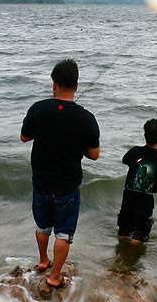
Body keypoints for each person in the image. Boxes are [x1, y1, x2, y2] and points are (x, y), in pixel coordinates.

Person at [20, 59, 100, 289]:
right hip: (67, 187)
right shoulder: (86, 118)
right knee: (63, 233)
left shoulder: (38, 109)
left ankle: (43, 260)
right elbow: (94, 155)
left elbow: (24, 137)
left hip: (41, 183)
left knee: (43, 226)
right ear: (76, 86)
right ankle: (55, 276)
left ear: (53, 84)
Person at [117, 118, 157, 244]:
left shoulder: (135, 151)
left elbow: (125, 160)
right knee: (139, 236)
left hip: (128, 196)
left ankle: (121, 257)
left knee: (124, 232)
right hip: (145, 201)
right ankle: (130, 261)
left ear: (144, 134)